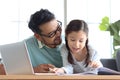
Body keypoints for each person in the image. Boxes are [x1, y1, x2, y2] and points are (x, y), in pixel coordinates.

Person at [0, 9, 63, 74]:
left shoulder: (71, 39)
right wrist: (34, 70)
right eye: (51, 34)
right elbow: (1, 69)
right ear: (38, 36)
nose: (58, 34)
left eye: (59, 28)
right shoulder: (26, 46)